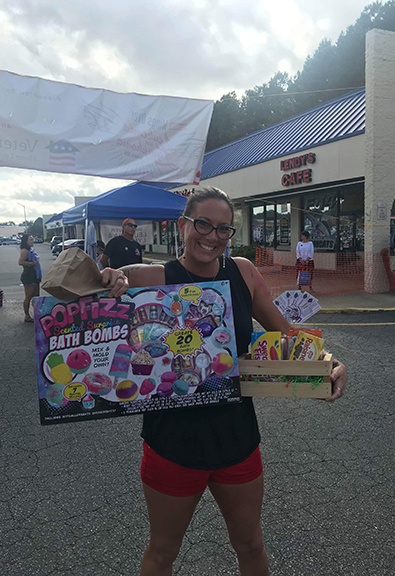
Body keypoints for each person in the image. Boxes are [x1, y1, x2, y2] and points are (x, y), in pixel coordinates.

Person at [101, 187, 347, 576]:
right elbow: (105, 280)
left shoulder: (243, 272)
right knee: (162, 551)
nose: (212, 236)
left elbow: (286, 335)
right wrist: (109, 277)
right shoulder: (156, 276)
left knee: (251, 544)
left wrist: (328, 362)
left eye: (223, 229)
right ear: (182, 226)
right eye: (202, 224)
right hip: (171, 443)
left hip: (237, 439)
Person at [18, 234, 42, 322]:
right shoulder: (25, 250)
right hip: (29, 276)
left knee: (36, 296)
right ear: (26, 241)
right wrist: (31, 263)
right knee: (28, 296)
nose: (33, 241)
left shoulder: (30, 249)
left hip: (35, 275)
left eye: (33, 239)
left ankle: (37, 313)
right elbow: (20, 262)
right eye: (31, 240)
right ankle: (27, 316)